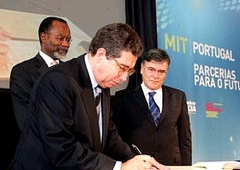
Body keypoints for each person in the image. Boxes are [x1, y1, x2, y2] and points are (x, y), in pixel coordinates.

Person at [9, 23, 170, 170]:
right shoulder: (58, 81)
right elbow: (61, 148)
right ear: (101, 55)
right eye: (122, 68)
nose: (123, 78)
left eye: (129, 71)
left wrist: (136, 161)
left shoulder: (103, 82)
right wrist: (119, 167)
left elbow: (109, 135)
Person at [111, 48, 192, 166]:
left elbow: (185, 138)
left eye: (161, 71)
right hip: (138, 165)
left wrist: (187, 168)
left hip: (171, 165)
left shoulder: (178, 97)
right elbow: (117, 138)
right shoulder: (123, 98)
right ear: (142, 69)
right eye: (151, 69)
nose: (155, 75)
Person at [9, 16, 72, 131]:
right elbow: (26, 120)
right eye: (60, 38)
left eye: (68, 40)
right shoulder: (23, 72)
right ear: (44, 37)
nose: (66, 44)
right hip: (41, 145)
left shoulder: (71, 72)